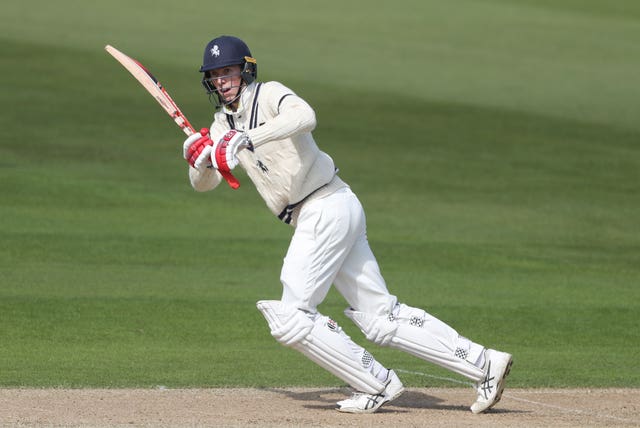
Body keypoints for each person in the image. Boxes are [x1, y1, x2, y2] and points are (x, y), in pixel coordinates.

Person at [182, 35, 513, 414]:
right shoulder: (221, 125)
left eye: (228, 71)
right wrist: (199, 160)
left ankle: (376, 382)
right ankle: (484, 363)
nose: (222, 80)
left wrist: (247, 138)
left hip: (326, 205)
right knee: (379, 317)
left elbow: (305, 117)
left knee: (291, 315)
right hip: (328, 211)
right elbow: (207, 182)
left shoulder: (269, 94)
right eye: (215, 75)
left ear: (245, 70)